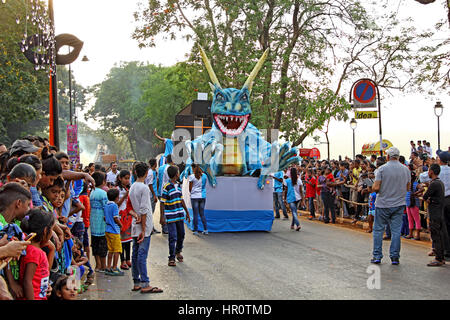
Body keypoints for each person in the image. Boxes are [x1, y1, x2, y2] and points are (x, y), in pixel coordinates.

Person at [371, 147, 411, 265]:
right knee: (396, 231)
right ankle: (395, 256)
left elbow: (376, 187)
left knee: (378, 230)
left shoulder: (381, 169)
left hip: (383, 203)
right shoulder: (406, 170)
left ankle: (377, 256)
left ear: (387, 156)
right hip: (399, 203)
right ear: (398, 157)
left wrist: (372, 187)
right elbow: (408, 187)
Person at [129, 162, 163, 293]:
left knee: (136, 254)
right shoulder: (144, 188)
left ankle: (136, 282)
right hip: (144, 225)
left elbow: (134, 208)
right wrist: (144, 230)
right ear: (147, 173)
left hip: (136, 223)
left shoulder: (133, 187)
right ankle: (145, 283)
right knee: (141, 254)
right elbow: (143, 210)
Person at [19, 209, 55, 300]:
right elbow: (27, 281)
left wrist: (52, 250)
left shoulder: (36, 251)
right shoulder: (34, 252)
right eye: (52, 230)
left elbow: (44, 272)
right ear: (45, 231)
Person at [160, 165, 191, 266]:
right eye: (178, 172)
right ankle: (171, 257)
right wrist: (162, 216)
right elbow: (162, 202)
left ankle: (178, 251)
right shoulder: (166, 187)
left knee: (181, 234)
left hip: (180, 215)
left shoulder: (178, 186)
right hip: (171, 216)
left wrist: (187, 212)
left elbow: (181, 200)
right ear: (176, 174)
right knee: (173, 236)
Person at [418, 164, 446, 266]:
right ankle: (440, 256)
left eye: (429, 171)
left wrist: (428, 199)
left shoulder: (434, 184)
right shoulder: (440, 183)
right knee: (439, 235)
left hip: (435, 213)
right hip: (439, 212)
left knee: (436, 235)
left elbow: (425, 196)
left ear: (431, 172)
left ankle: (438, 258)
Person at [89, 172, 108, 273]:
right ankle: (104, 265)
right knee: (103, 246)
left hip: (94, 223)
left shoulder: (92, 192)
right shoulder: (103, 193)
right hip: (102, 223)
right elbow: (106, 207)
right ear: (103, 181)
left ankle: (98, 265)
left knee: (95, 245)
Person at [104, 188, 124, 276]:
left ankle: (108, 266)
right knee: (117, 250)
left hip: (107, 230)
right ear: (116, 198)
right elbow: (116, 218)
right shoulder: (114, 206)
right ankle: (114, 267)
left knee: (110, 250)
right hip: (114, 230)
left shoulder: (106, 205)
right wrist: (121, 224)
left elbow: (105, 217)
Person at [116, 170, 132, 270]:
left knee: (128, 239)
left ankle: (128, 259)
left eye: (128, 178)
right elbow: (116, 204)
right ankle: (122, 261)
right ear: (120, 178)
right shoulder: (117, 189)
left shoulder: (129, 188)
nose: (127, 180)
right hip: (120, 215)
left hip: (128, 215)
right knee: (122, 240)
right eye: (125, 178)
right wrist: (125, 196)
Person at [189, 164, 208, 235]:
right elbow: (204, 185)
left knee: (195, 214)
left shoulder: (192, 177)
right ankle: (206, 229)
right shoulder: (205, 176)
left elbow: (190, 188)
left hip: (194, 197)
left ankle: (195, 230)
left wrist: (192, 193)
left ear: (193, 169)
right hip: (202, 196)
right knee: (202, 214)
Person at [283, 167, 304, 231]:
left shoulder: (287, 181)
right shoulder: (299, 180)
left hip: (291, 197)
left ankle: (298, 224)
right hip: (298, 198)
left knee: (294, 212)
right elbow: (301, 191)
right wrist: (302, 199)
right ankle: (292, 225)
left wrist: (285, 198)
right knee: (294, 211)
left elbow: (286, 191)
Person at [145, 159, 160, 234]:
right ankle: (150, 228)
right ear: (155, 164)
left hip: (153, 193)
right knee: (150, 212)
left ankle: (152, 228)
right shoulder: (150, 173)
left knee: (151, 212)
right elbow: (150, 184)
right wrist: (154, 195)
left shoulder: (153, 172)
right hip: (151, 194)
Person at [405, 169, 421, 240]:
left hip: (413, 202)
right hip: (409, 202)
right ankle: (411, 234)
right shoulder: (411, 184)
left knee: (414, 219)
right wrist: (416, 194)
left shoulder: (414, 184)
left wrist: (415, 194)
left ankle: (416, 235)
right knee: (411, 219)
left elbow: (422, 189)